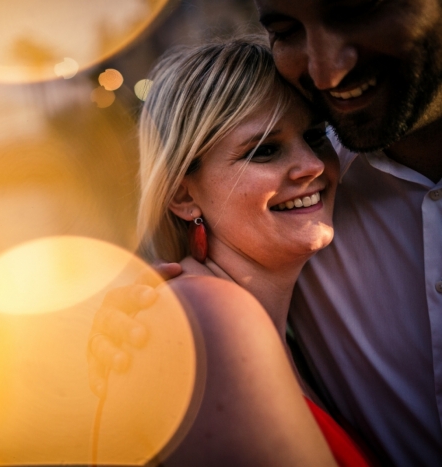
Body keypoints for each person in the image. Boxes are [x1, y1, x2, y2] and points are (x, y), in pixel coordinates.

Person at [91, 1, 442, 465]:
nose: (315, 165)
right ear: (182, 196)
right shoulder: (211, 316)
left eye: (316, 137)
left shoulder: (265, 324)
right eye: (264, 150)